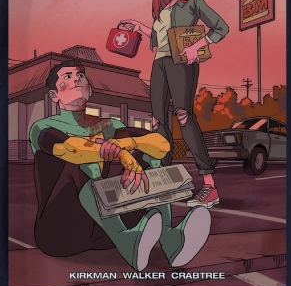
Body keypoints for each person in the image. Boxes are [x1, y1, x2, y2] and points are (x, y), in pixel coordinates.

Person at [27, 59, 212, 271]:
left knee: (150, 157)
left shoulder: (108, 125)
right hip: (60, 232)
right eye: (67, 77)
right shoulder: (42, 127)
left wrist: (128, 145)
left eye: (80, 75)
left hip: (100, 228)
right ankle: (126, 239)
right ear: (54, 96)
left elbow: (161, 144)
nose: (76, 79)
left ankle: (171, 239)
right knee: (82, 163)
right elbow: (71, 149)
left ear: (89, 89)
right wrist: (122, 155)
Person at [120, 0, 229, 208]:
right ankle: (163, 179)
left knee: (183, 116)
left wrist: (197, 46)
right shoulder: (160, 9)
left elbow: (221, 27)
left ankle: (209, 186)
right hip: (159, 64)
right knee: (158, 121)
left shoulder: (193, 1)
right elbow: (160, 39)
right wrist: (139, 27)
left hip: (181, 63)